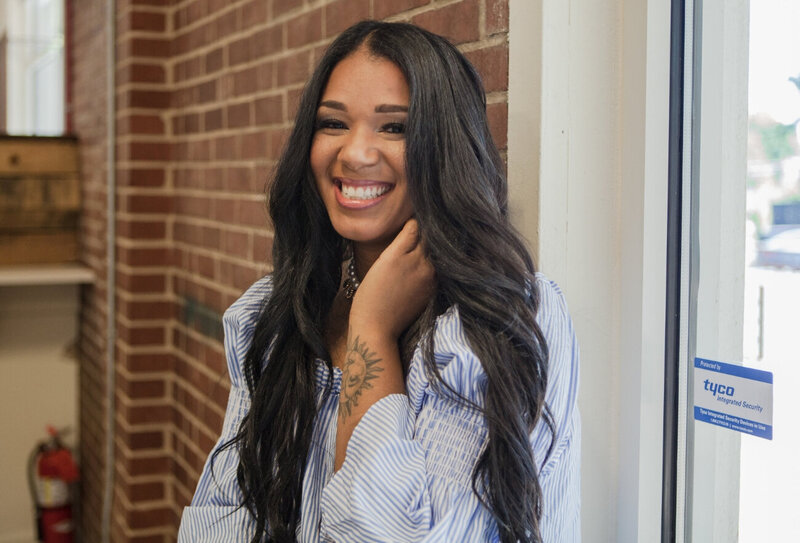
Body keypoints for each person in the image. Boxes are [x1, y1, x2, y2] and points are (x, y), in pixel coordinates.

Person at [178, 20, 580, 543]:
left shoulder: (503, 319)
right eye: (332, 124)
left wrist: (371, 329)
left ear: (446, 148)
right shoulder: (277, 314)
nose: (355, 153)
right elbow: (222, 517)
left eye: (395, 128)